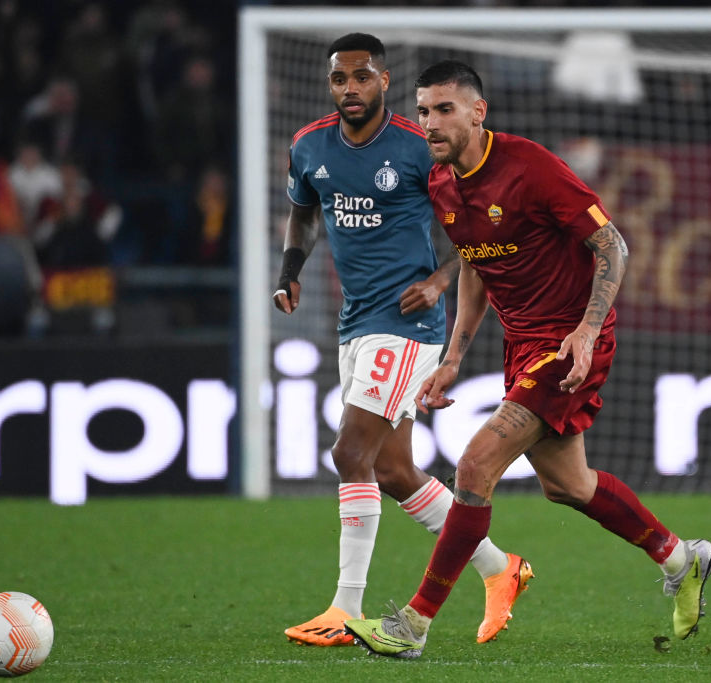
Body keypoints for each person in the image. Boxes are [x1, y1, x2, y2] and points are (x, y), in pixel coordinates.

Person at [344, 60, 711, 659]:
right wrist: (454, 356)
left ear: (477, 111)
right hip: (519, 345)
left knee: (473, 467)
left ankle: (412, 625)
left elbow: (612, 244)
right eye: (422, 110)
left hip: (568, 342)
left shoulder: (530, 167)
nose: (430, 123)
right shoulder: (442, 184)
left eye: (443, 109)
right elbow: (474, 265)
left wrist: (588, 330)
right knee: (568, 485)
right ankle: (682, 557)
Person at [274, 35, 531, 648]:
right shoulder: (310, 145)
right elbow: (306, 211)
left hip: (408, 325)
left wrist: (442, 279)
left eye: (361, 78)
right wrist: (290, 268)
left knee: (349, 454)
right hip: (355, 320)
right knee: (391, 468)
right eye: (339, 80)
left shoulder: (420, 149)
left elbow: (466, 220)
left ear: (384, 82)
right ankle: (501, 569)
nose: (349, 90)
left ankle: (344, 608)